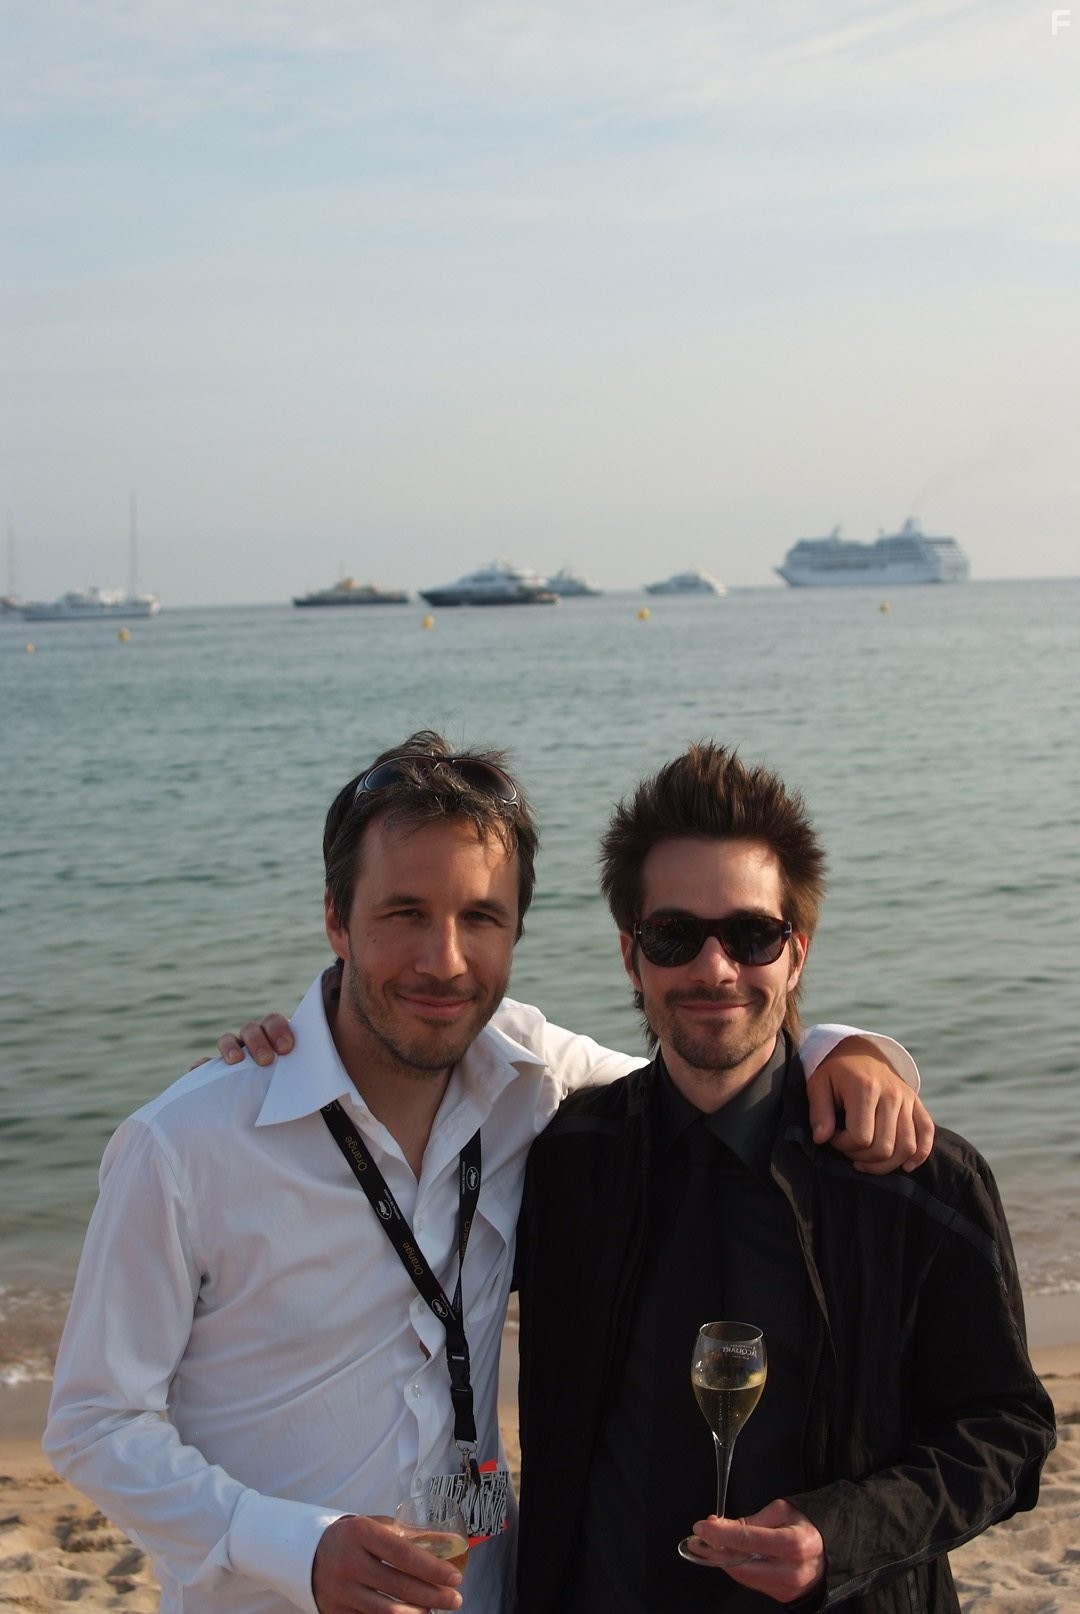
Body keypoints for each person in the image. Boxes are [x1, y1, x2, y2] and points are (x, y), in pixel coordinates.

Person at [44, 732, 932, 1614]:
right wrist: (296, 1547)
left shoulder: (531, 1076)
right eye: (404, 914)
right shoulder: (188, 1144)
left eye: (480, 918)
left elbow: (707, 1072)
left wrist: (841, 1050)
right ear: (335, 919)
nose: (445, 961)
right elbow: (95, 1422)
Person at [514, 741, 1056, 1613]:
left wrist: (840, 1534)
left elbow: (1007, 1431)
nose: (714, 968)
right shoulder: (565, 1162)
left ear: (795, 954)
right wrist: (295, 1041)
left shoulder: (915, 1180)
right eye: (674, 935)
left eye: (751, 935)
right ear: (630, 955)